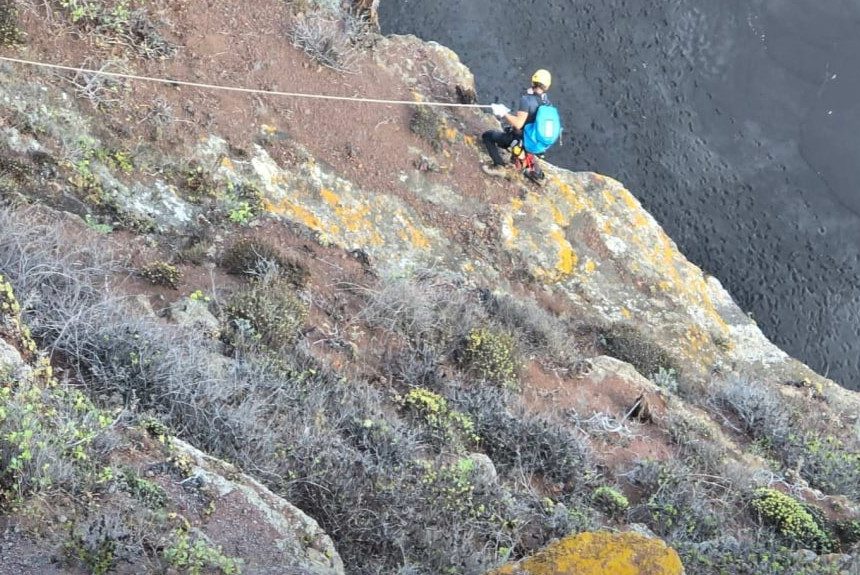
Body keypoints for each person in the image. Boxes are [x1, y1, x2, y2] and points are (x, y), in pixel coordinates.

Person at [482, 69, 552, 177]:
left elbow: (518, 124)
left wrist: (503, 113)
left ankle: (499, 166)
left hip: (521, 139)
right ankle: (535, 171)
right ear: (546, 86)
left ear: (533, 81)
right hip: (536, 141)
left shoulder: (527, 100)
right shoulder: (547, 103)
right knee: (518, 142)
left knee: (487, 136)